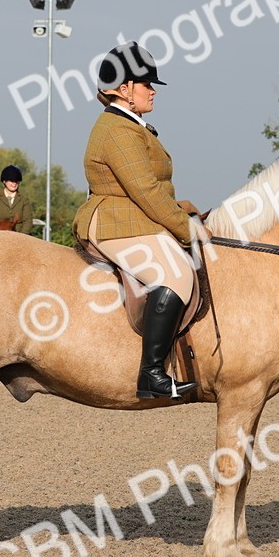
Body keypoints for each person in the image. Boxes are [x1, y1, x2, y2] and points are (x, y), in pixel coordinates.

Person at [72, 41, 202, 400]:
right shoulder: (117, 130)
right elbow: (145, 190)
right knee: (174, 273)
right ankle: (152, 375)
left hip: (131, 216)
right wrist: (186, 229)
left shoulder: (133, 126)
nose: (153, 91)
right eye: (147, 85)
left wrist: (189, 211)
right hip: (115, 219)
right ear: (124, 89)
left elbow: (154, 189)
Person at [0, 165, 36, 234]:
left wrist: (22, 236)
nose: (14, 184)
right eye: (11, 181)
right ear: (4, 181)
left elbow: (27, 221)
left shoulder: (24, 200)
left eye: (16, 181)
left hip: (19, 235)